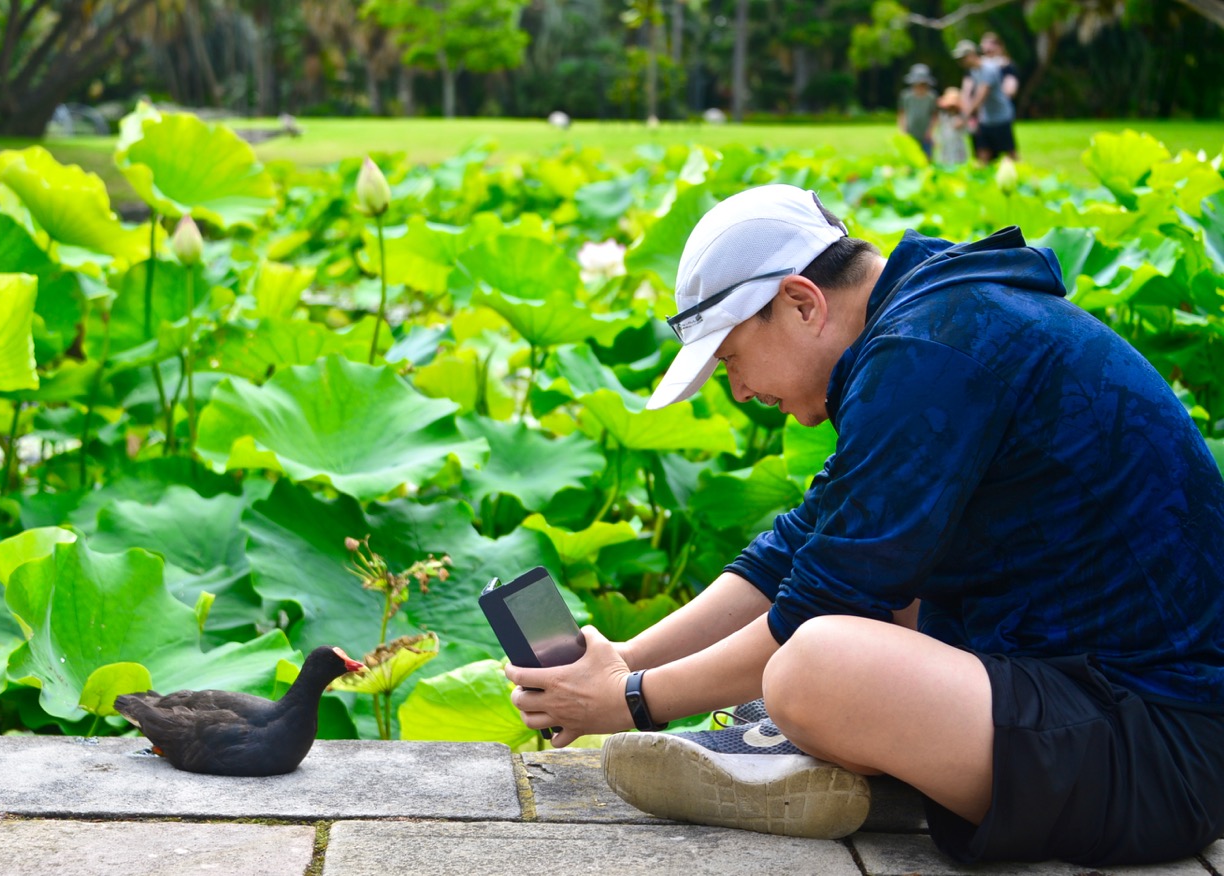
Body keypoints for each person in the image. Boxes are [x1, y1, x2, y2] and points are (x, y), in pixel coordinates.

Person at [504, 184, 1224, 866]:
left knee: (815, 668)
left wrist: (632, 703)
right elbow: (799, 546)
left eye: (731, 360)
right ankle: (832, 760)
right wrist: (628, 659)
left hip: (1160, 750)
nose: (743, 391)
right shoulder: (935, 319)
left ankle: (812, 749)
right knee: (865, 606)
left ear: (800, 302)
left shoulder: (931, 349)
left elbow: (824, 602)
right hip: (1098, 706)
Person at [953, 38, 1017, 163]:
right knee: (983, 154)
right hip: (986, 119)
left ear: (971, 55)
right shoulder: (973, 71)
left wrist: (964, 118)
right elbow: (967, 93)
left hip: (1000, 117)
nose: (961, 62)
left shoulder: (989, 69)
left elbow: (981, 96)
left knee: (1010, 154)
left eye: (963, 58)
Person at [897, 63, 939, 160]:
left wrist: (931, 131)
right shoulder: (906, 96)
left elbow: (934, 115)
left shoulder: (931, 97)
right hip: (910, 133)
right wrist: (902, 130)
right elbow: (902, 113)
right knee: (911, 159)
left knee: (927, 159)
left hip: (926, 135)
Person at [934, 86, 968, 165]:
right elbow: (937, 129)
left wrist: (963, 122)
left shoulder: (961, 118)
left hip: (958, 146)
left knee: (958, 162)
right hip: (945, 144)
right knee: (945, 161)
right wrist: (936, 139)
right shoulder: (942, 117)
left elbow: (968, 131)